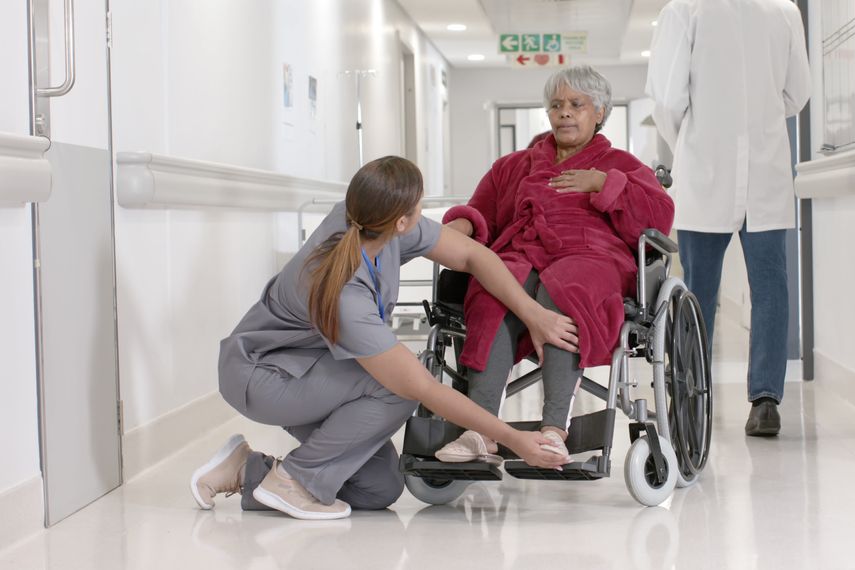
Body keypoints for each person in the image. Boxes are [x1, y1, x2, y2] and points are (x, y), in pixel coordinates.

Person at [190, 156, 577, 520]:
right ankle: (294, 478)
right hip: (263, 375)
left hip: (317, 372)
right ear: (403, 220)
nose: (423, 215)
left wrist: (534, 314)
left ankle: (247, 468)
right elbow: (422, 388)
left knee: (379, 488)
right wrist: (513, 439)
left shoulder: (375, 222)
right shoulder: (345, 292)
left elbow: (473, 257)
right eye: (420, 208)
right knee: (399, 387)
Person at [434, 65, 674, 463]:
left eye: (576, 105)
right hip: (523, 253)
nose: (564, 112)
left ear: (599, 112)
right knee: (492, 292)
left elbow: (658, 217)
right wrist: (451, 229)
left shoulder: (621, 163)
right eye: (557, 105)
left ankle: (553, 429)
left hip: (593, 256)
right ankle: (481, 429)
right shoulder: (514, 165)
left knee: (568, 287)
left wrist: (603, 184)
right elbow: (481, 212)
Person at [646, 0, 811, 436]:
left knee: (697, 291)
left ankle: (689, 399)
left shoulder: (685, 9)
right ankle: (765, 402)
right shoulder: (784, 10)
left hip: (705, 172)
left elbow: (666, 98)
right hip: (766, 170)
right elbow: (798, 94)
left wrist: (694, 138)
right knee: (772, 286)